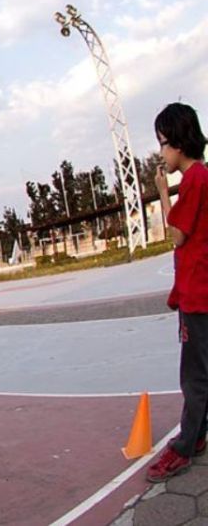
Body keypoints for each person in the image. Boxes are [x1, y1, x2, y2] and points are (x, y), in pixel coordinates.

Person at [148, 102, 208, 483]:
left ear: (180, 144)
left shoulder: (194, 180)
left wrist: (162, 194)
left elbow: (178, 234)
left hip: (198, 294)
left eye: (163, 144)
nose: (161, 153)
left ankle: (185, 444)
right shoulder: (202, 176)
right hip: (195, 288)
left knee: (195, 374)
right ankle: (199, 432)